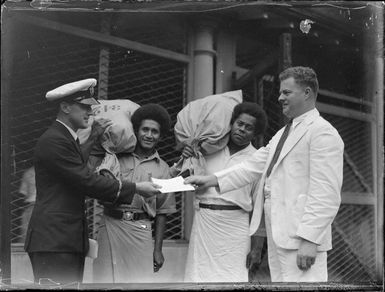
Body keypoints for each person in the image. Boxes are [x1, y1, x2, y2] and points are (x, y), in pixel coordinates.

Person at [185, 66, 344, 282]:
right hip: (279, 236)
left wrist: (310, 239)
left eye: (286, 92)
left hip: (301, 238)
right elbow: (251, 166)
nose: (280, 98)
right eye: (280, 92)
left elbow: (326, 193)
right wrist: (210, 179)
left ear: (307, 93)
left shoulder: (322, 132)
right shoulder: (282, 133)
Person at [25, 78, 161, 285]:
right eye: (84, 107)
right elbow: (84, 179)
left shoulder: (66, 138)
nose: (90, 113)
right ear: (65, 107)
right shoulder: (55, 140)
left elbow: (77, 164)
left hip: (63, 239)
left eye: (91, 107)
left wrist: (94, 137)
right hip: (54, 241)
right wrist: (135, 188)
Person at [182, 102, 267, 282]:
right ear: (232, 123)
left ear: (255, 133)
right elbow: (185, 179)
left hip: (235, 227)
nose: (242, 129)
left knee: (232, 279)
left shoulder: (257, 159)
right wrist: (188, 155)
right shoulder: (209, 150)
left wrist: (257, 247)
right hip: (205, 222)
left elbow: (260, 206)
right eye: (239, 124)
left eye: (249, 128)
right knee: (198, 278)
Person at [93, 103, 176, 283]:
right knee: (104, 281)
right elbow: (102, 187)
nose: (148, 135)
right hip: (110, 225)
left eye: (154, 132)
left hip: (141, 230)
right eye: (144, 129)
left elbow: (163, 213)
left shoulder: (163, 169)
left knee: (138, 283)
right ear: (136, 131)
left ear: (160, 136)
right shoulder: (116, 157)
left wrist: (158, 249)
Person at [18, 166, 36, 243]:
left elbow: (23, 193)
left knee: (26, 235)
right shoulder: (50, 171)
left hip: (31, 205)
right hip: (44, 206)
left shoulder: (28, 173)